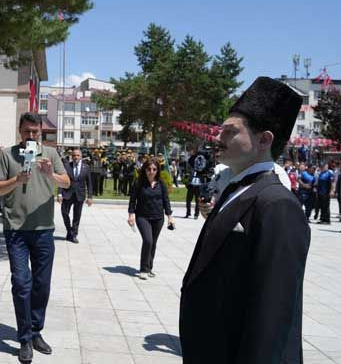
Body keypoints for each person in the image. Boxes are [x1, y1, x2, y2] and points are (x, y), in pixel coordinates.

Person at [180, 77, 309, 364]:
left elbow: (273, 312)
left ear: (264, 140)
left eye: (230, 132)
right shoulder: (235, 189)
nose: (218, 138)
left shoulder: (277, 204)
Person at [0, 112, 70, 363]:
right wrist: (17, 179)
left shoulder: (51, 154)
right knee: (21, 284)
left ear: (40, 132)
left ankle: (36, 331)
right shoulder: (7, 155)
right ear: (20, 131)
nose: (31, 136)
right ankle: (24, 338)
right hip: (16, 230)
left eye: (35, 131)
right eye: (27, 131)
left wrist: (50, 175)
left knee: (41, 285)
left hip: (44, 230)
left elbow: (66, 183)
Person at [128, 159, 174, 279]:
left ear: (157, 170)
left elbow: (166, 200)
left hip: (158, 218)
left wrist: (170, 217)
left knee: (153, 242)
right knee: (148, 240)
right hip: (142, 216)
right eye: (149, 169)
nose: (151, 172)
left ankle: (149, 268)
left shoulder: (161, 183)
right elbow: (132, 200)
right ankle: (143, 269)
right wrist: (131, 214)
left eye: (154, 169)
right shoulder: (139, 183)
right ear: (145, 170)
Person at [57, 148, 92, 244]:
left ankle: (73, 235)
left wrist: (90, 196)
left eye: (77, 155)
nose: (76, 157)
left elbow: (89, 183)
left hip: (80, 195)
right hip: (67, 194)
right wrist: (59, 193)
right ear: (72, 157)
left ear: (81, 156)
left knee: (77, 216)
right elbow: (62, 180)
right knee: (64, 213)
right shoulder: (67, 166)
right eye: (74, 155)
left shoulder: (86, 167)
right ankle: (69, 230)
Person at [184, 149, 201, 219]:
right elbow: (187, 175)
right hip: (191, 185)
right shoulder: (191, 168)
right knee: (188, 200)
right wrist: (186, 182)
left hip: (198, 186)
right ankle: (188, 213)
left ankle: (196, 214)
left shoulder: (201, 168)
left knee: (197, 201)